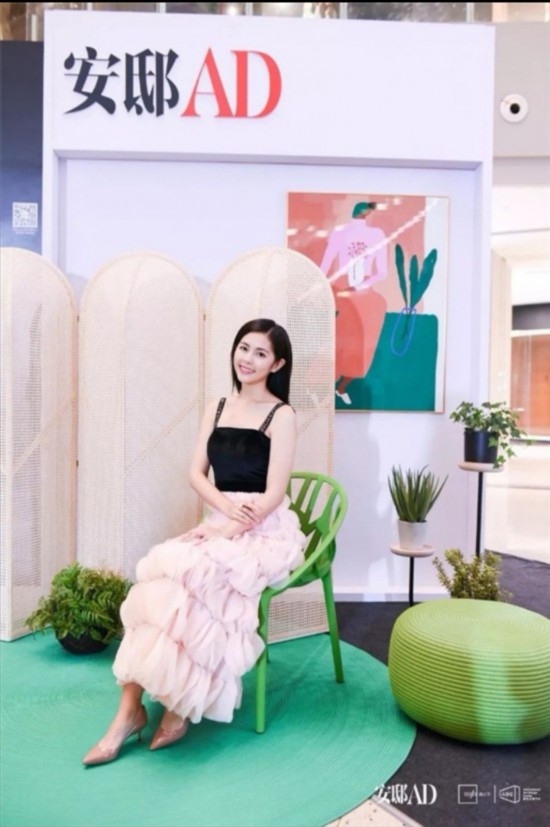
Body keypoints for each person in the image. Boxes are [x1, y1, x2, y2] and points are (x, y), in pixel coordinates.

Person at [82, 319, 306, 766]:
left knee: (201, 577)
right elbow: (195, 474)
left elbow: (274, 493)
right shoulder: (218, 406)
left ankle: (177, 706)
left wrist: (230, 528)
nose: (248, 359)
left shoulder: (282, 415)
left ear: (278, 364)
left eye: (261, 353)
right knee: (164, 577)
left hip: (263, 526)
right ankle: (129, 711)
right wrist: (221, 515)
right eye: (243, 348)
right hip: (222, 515)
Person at [320, 201, 388, 405]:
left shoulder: (377, 234)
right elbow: (325, 265)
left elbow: (382, 272)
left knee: (361, 344)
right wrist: (322, 289)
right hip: (341, 289)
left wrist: (358, 287)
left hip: (362, 291)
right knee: (337, 339)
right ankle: (325, 386)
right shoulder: (340, 233)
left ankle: (342, 387)